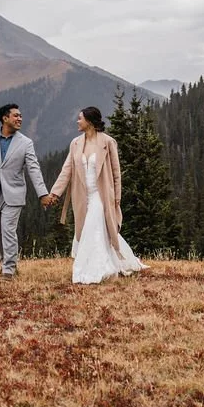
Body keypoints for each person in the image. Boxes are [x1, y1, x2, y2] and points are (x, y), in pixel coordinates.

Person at [44, 107, 147, 284]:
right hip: (83, 196)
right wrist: (55, 193)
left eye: (80, 119)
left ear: (89, 122)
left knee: (93, 228)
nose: (77, 121)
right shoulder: (75, 143)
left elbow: (116, 172)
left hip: (102, 195)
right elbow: (66, 170)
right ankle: (123, 260)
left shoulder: (107, 142)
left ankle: (93, 269)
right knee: (93, 229)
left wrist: (117, 198)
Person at [0, 104, 50, 280]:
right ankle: (5, 260)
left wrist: (43, 194)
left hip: (14, 193)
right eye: (16, 116)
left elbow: (34, 169)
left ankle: (9, 270)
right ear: (5, 118)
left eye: (20, 116)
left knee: (8, 230)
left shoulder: (26, 143)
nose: (20, 119)